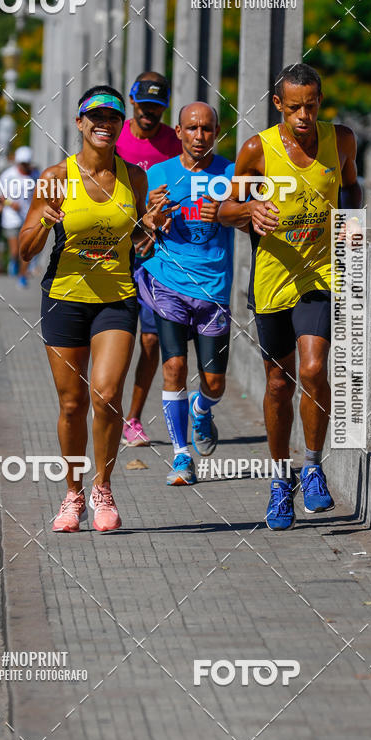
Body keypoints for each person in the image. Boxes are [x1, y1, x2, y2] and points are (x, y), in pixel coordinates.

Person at [19, 85, 169, 533]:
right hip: (64, 297)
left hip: (116, 299)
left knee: (105, 397)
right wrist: (46, 222)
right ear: (79, 123)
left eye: (112, 119)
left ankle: (103, 489)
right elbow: (25, 251)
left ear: (120, 126)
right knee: (72, 404)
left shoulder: (134, 179)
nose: (104, 125)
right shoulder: (54, 178)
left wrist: (150, 225)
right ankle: (72, 494)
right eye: (95, 118)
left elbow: (140, 244)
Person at [218, 63, 361, 530]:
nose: (303, 114)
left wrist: (352, 231)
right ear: (278, 104)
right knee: (279, 383)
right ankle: (281, 481)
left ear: (321, 100)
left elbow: (353, 189)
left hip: (319, 275)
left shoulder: (340, 140)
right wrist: (249, 211)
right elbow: (223, 209)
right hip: (272, 278)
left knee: (315, 368)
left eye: (311, 104)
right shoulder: (257, 149)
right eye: (294, 106)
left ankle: (314, 466)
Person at [135, 101, 235, 486]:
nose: (199, 136)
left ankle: (202, 408)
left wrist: (224, 211)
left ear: (216, 132)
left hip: (213, 289)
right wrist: (152, 218)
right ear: (178, 132)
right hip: (169, 282)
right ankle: (180, 456)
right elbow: (144, 231)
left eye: (207, 129)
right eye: (191, 128)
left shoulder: (230, 173)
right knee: (174, 366)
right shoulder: (159, 174)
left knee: (214, 383)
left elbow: (249, 220)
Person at [115, 71, 182, 447]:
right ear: (132, 102)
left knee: (152, 340)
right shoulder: (116, 138)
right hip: (117, 251)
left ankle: (134, 419)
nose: (149, 114)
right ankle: (107, 401)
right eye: (143, 106)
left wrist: (158, 221)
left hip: (156, 252)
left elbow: (187, 191)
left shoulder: (175, 143)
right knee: (116, 336)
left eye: (157, 108)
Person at [0, 145, 36, 288]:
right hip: (11, 218)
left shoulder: (35, 174)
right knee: (15, 251)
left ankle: (22, 276)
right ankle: (13, 262)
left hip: (28, 217)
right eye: (23, 164)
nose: (25, 166)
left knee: (25, 249)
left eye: (27, 164)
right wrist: (10, 203)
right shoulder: (8, 175)